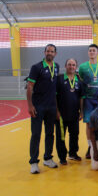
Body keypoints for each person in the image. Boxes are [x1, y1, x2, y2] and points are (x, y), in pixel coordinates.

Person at [27, 44, 60, 174]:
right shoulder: (36, 67)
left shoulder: (56, 67)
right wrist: (30, 105)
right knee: (36, 134)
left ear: (55, 53)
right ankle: (34, 162)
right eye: (48, 51)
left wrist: (56, 109)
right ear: (44, 52)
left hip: (51, 107)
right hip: (38, 106)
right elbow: (30, 87)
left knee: (50, 133)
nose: (49, 53)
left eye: (52, 51)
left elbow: (55, 90)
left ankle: (48, 158)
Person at [55, 58, 83, 165]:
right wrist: (56, 111)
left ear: (76, 67)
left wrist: (81, 112)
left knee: (75, 134)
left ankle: (73, 153)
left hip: (74, 114)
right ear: (65, 66)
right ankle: (62, 157)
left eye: (73, 65)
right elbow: (54, 96)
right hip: (61, 115)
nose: (71, 66)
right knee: (61, 137)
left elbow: (81, 97)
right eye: (69, 64)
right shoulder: (59, 79)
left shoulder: (79, 81)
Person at [79, 44, 98, 159]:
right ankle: (90, 147)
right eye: (90, 50)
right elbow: (80, 81)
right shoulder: (83, 67)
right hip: (88, 99)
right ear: (88, 53)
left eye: (94, 50)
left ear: (97, 53)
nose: (92, 52)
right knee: (89, 124)